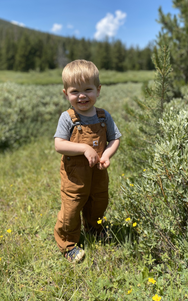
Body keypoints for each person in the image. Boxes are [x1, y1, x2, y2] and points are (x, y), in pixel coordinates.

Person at [54, 59, 121, 263]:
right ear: (66, 94)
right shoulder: (68, 118)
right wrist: (84, 148)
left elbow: (115, 139)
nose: (82, 96)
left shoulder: (103, 116)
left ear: (98, 90)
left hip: (99, 171)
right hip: (75, 176)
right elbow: (59, 145)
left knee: (98, 201)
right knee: (72, 207)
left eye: (88, 89)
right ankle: (68, 244)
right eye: (75, 91)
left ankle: (94, 229)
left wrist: (107, 154)